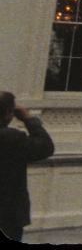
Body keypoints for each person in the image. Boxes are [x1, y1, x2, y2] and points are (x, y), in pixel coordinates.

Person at [0, 92, 55, 243]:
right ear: (9, 114)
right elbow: (45, 147)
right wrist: (28, 118)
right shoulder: (12, 138)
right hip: (7, 213)